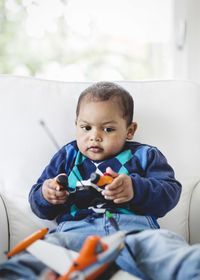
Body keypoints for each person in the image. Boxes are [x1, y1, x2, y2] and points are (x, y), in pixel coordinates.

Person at [0, 81, 182, 279]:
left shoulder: (145, 155)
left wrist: (135, 189)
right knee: (28, 261)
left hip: (136, 233)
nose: (94, 137)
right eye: (86, 127)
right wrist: (47, 194)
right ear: (76, 125)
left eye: (108, 129)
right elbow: (39, 205)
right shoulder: (68, 155)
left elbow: (170, 193)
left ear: (130, 130)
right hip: (74, 234)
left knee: (176, 253)